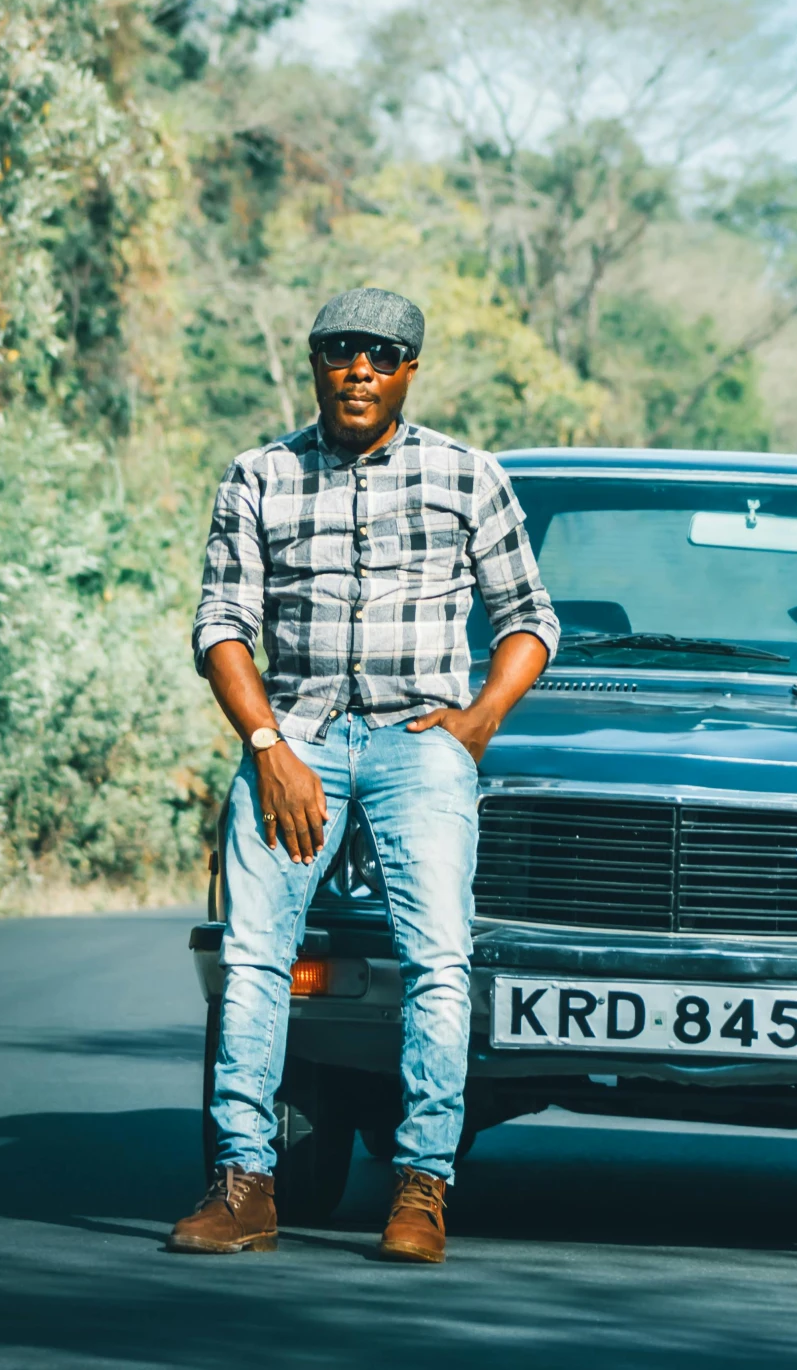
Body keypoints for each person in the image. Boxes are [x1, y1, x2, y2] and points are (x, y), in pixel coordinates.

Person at [168, 286, 558, 1264]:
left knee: (437, 957)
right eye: (340, 350)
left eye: (381, 353)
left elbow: (530, 621)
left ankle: (420, 1188)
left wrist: (474, 723)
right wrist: (268, 748)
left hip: (417, 743)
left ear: (408, 369)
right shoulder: (259, 476)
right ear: (314, 361)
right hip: (291, 741)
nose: (359, 368)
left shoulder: (468, 476)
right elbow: (222, 626)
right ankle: (243, 1182)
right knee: (255, 957)